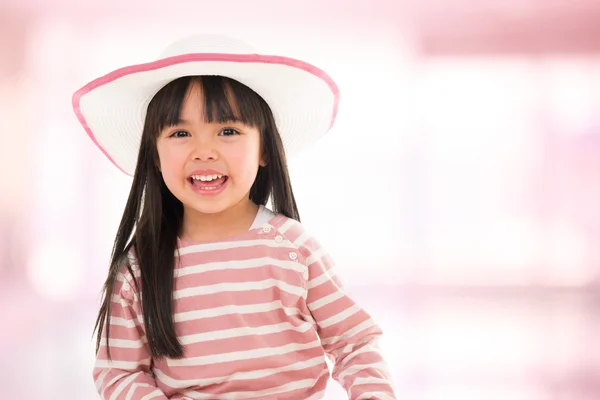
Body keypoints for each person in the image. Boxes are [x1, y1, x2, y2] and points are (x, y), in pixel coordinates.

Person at [73, 34, 396, 400]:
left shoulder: (295, 249)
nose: (204, 151)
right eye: (180, 133)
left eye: (228, 131)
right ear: (155, 156)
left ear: (265, 150)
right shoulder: (139, 268)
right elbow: (120, 373)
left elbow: (354, 342)